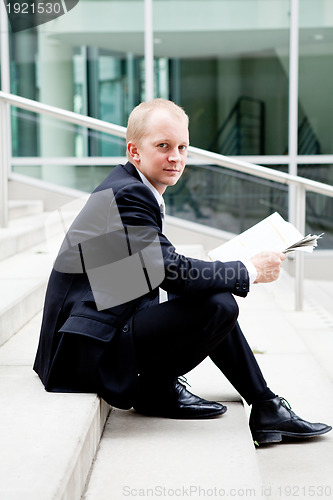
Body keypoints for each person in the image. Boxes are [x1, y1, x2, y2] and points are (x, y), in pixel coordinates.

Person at [33, 98, 331, 445]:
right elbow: (172, 271)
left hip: (98, 312)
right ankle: (162, 388)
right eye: (163, 146)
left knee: (209, 294)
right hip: (80, 351)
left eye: (182, 147)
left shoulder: (129, 185)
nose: (175, 157)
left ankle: (265, 406)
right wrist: (249, 268)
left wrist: (219, 271)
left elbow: (149, 269)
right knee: (219, 303)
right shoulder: (129, 194)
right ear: (135, 151)